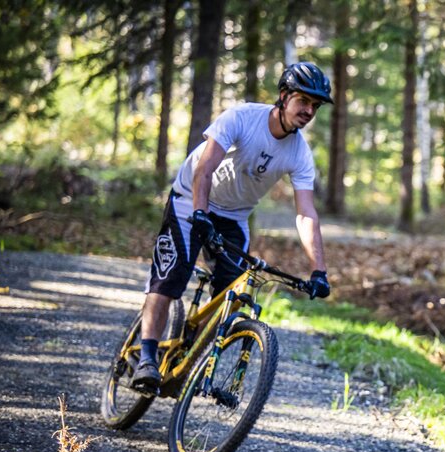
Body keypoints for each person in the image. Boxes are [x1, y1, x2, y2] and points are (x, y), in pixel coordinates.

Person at [131, 61, 334, 392]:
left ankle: (189, 353)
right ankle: (148, 359)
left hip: (235, 216)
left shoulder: (300, 153)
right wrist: (199, 213)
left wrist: (319, 271)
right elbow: (205, 168)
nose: (309, 110)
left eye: (315, 105)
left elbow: (306, 213)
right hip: (190, 200)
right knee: (171, 278)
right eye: (303, 101)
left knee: (233, 295)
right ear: (284, 97)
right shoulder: (242, 117)